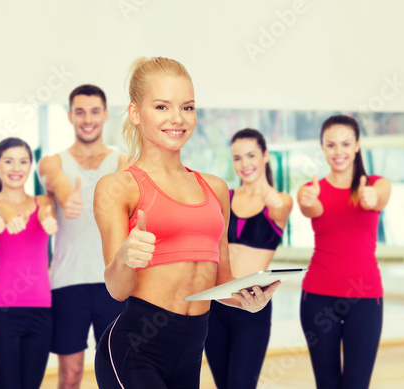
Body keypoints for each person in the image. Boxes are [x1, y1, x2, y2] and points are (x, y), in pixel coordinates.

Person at [93, 56, 280, 389]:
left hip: (191, 351)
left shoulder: (215, 188)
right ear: (136, 113)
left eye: (188, 107)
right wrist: (124, 257)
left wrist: (245, 299)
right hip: (135, 350)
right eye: (162, 107)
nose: (177, 119)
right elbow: (117, 289)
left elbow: (221, 277)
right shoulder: (118, 186)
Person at [38, 84, 128, 389]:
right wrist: (67, 197)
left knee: (117, 372)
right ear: (70, 116)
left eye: (94, 111)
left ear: (104, 115)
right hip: (68, 282)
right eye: (80, 112)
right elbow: (57, 180)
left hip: (112, 282)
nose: (87, 119)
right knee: (71, 374)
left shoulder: (122, 162)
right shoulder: (53, 161)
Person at [297, 115, 391, 389]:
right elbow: (310, 208)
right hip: (317, 298)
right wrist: (308, 201)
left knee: (356, 384)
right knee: (326, 383)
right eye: (331, 145)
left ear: (358, 145)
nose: (339, 151)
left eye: (346, 144)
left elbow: (380, 198)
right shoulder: (311, 191)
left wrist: (371, 199)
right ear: (323, 148)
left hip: (365, 299)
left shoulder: (376, 183)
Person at [205, 128, 293, 388]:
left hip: (252, 304)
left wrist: (267, 193)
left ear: (265, 156)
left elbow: (280, 208)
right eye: (237, 158)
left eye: (251, 155)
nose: (244, 164)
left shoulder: (280, 201)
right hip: (216, 301)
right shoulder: (226, 197)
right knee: (223, 383)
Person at [0, 137, 58, 389]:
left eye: (23, 161)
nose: (16, 168)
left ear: (30, 166)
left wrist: (47, 219)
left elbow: (47, 213)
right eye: (8, 161)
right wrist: (1, 215)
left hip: (41, 310)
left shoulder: (43, 203)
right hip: (1, 312)